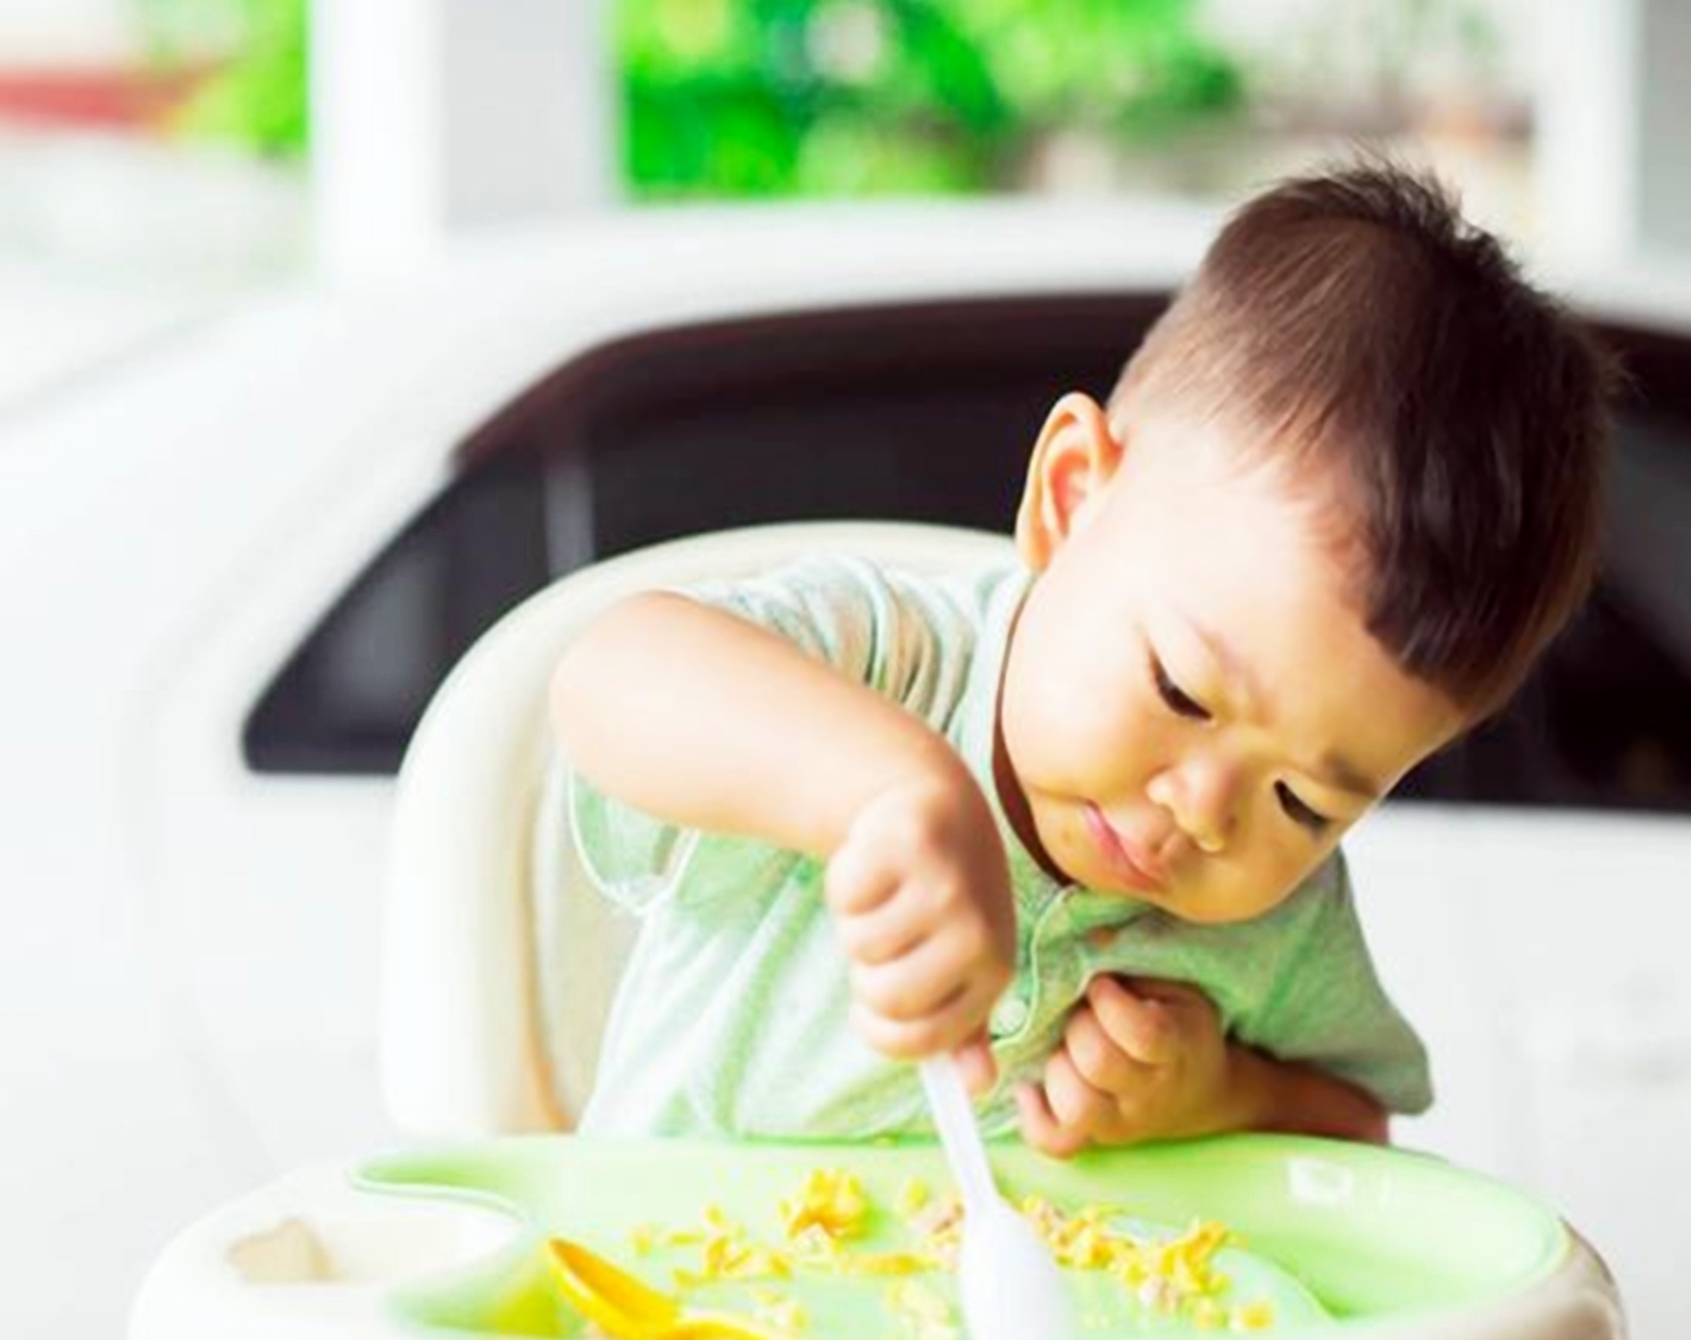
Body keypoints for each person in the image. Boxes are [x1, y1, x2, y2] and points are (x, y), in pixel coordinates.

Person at [549, 161, 1615, 1155]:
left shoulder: (1280, 924)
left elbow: (1355, 1136)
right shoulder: (894, 664)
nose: (1204, 808)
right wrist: (881, 791)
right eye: (1180, 688)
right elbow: (610, 672)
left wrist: (1221, 1095)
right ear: (1069, 496)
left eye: (1303, 803)